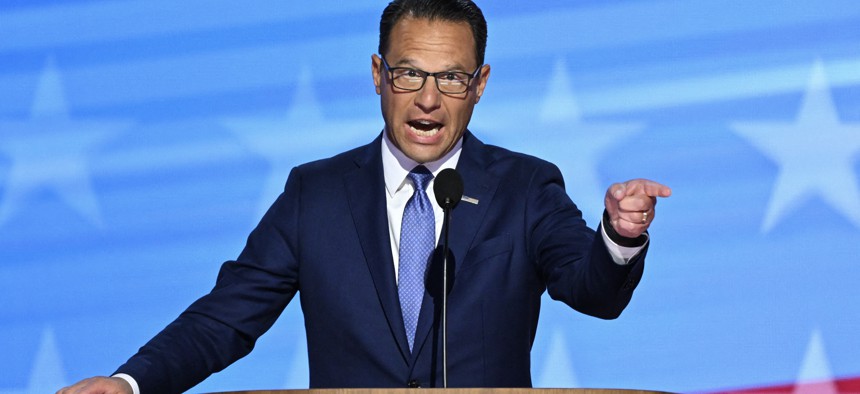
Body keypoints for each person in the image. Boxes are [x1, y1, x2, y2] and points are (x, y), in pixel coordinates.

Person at [59, 0, 671, 393]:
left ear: (480, 85)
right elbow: (226, 318)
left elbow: (592, 291)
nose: (428, 100)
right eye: (409, 74)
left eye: (451, 78)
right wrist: (129, 383)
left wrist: (619, 236)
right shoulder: (315, 195)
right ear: (378, 74)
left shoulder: (525, 186)